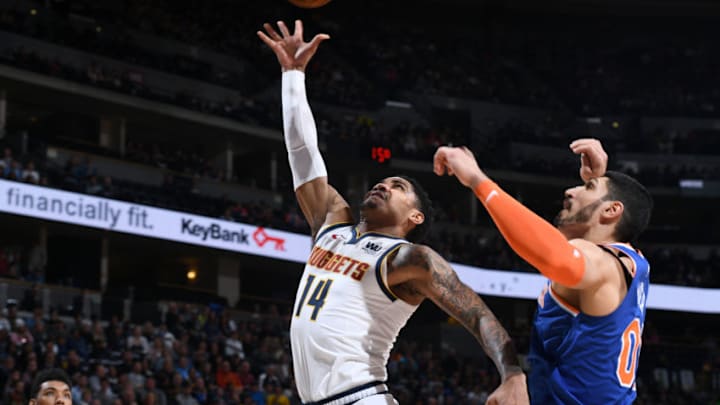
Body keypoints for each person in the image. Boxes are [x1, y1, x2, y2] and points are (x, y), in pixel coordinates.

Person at [258, 20, 528, 405]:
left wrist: (513, 373)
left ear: (415, 218)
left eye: (399, 187)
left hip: (361, 397)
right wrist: (293, 76)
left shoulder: (408, 259)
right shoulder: (332, 222)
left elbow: (478, 314)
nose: (384, 185)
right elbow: (302, 155)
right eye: (383, 181)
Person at [433, 140, 652, 404]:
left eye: (586, 188)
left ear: (611, 210)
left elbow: (557, 259)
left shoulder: (602, 263)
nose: (570, 190)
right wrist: (598, 183)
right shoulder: (631, 263)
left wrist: (477, 181)